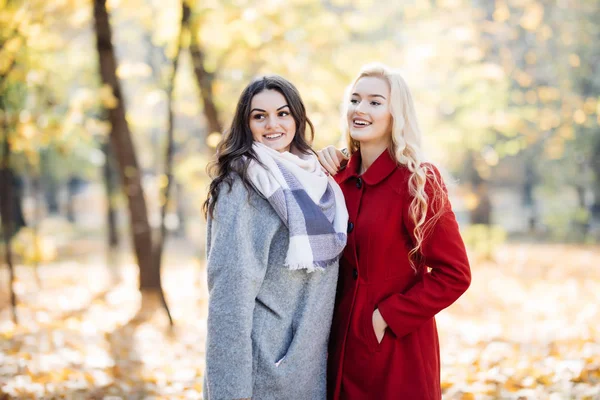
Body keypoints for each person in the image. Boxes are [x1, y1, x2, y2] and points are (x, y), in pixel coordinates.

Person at [318, 63, 471, 400]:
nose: (360, 109)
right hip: (337, 350)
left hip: (396, 353)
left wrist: (385, 317)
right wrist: (319, 165)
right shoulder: (335, 178)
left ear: (396, 115)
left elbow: (455, 273)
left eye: (375, 102)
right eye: (355, 100)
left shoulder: (419, 181)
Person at [203, 75, 348, 400]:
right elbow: (229, 301)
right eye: (259, 116)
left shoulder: (318, 180)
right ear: (246, 123)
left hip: (309, 371)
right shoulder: (241, 187)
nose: (273, 124)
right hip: (262, 373)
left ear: (297, 117)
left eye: (283, 113)